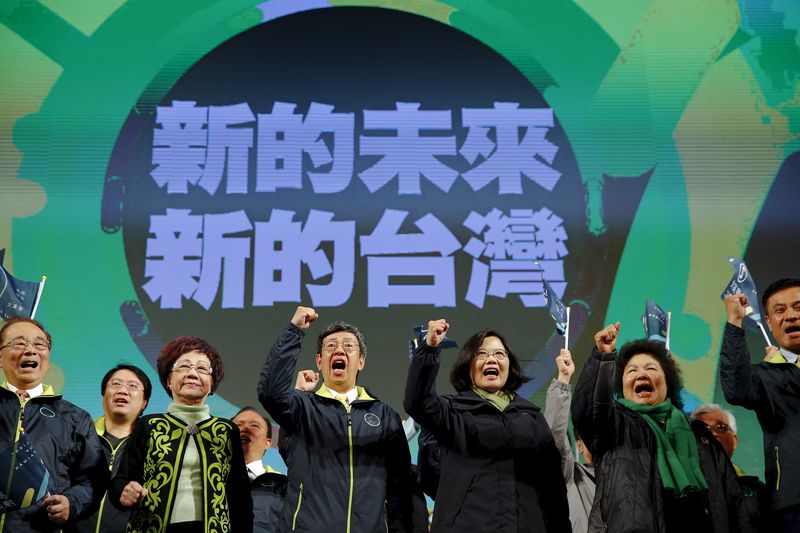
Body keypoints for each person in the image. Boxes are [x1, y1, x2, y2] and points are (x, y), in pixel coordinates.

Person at [572, 323, 751, 533]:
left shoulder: (700, 435)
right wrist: (603, 358)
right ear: (621, 385)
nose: (641, 374)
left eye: (651, 368)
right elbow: (588, 409)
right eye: (632, 370)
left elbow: (734, 503)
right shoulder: (615, 427)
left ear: (668, 382)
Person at [404, 318, 571, 533]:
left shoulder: (532, 418)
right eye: (481, 354)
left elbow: (553, 489)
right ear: (468, 366)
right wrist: (430, 348)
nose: (491, 359)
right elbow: (417, 403)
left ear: (509, 366)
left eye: (499, 354)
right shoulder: (451, 411)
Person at [258, 306, 412, 533]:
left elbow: (399, 488)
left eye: (349, 346)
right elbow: (270, 393)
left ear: (361, 362)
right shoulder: (302, 407)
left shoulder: (384, 415)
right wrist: (295, 330)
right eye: (331, 346)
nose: (339, 350)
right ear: (320, 361)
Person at [109, 336, 252, 532]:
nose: (193, 373)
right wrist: (124, 492)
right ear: (169, 379)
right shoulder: (149, 425)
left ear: (212, 384)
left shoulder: (226, 430)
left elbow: (241, 498)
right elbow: (120, 480)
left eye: (202, 369)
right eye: (184, 366)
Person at [0, 317, 107, 532]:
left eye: (39, 344)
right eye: (19, 343)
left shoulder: (75, 417)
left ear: (47, 357)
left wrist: (70, 502)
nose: (30, 350)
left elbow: (93, 480)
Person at [721, 279, 800, 531]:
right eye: (780, 310)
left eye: (798, 307)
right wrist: (735, 323)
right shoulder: (766, 376)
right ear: (768, 322)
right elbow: (735, 388)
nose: (790, 316)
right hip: (793, 503)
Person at [71, 364, 152, 533]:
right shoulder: (78, 438)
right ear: (103, 396)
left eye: (132, 386)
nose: (122, 390)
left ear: (145, 402)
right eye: (115, 384)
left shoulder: (153, 446)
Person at [690, 403, 768, 531]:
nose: (712, 433)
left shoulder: (758, 491)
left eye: (720, 427)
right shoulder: (678, 485)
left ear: (735, 440)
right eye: (702, 428)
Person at [544, 349, 595, 533]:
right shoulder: (570, 475)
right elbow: (554, 438)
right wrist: (563, 380)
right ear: (579, 445)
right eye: (590, 436)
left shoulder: (628, 477)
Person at [232, 406, 286, 533]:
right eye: (238, 425)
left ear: (268, 443)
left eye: (254, 426)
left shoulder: (284, 485)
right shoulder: (206, 476)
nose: (244, 428)